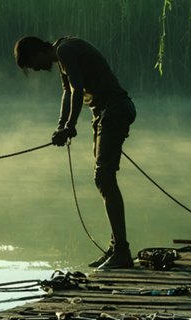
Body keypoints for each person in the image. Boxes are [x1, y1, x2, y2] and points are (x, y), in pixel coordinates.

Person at [13, 35, 136, 270]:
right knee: (104, 179)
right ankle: (116, 247)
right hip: (105, 113)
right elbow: (68, 93)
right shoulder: (63, 53)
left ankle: (122, 251)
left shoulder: (65, 51)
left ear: (36, 52)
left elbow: (78, 89)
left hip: (114, 111)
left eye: (32, 64)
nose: (37, 69)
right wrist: (62, 125)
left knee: (104, 178)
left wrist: (70, 127)